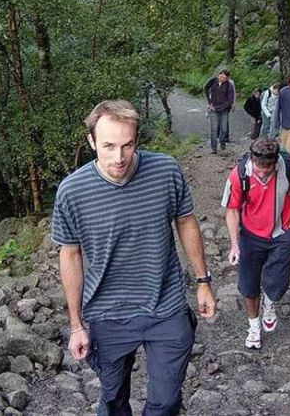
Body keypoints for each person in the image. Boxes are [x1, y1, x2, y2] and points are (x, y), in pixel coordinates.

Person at [52, 100, 217, 416]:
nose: (118, 157)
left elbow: (185, 220)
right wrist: (76, 324)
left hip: (165, 306)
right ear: (91, 142)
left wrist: (203, 281)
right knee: (113, 401)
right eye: (108, 146)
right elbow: (70, 256)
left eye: (127, 145)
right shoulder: (71, 192)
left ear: (137, 140)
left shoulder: (166, 170)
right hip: (107, 312)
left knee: (166, 402)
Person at [221, 138, 290, 350]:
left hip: (281, 233)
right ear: (252, 159)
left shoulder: (289, 166)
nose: (263, 172)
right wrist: (235, 245)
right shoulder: (238, 175)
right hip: (250, 235)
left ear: (275, 161)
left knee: (277, 283)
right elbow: (232, 210)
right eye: (259, 167)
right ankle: (253, 327)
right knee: (249, 287)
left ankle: (269, 304)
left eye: (268, 167)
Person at [204, 69, 234, 154]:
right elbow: (205, 88)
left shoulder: (229, 86)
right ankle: (213, 148)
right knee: (214, 129)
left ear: (227, 78)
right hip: (213, 109)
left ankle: (222, 142)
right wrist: (209, 102)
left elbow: (230, 101)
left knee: (224, 129)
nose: (222, 79)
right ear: (218, 75)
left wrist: (219, 108)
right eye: (221, 76)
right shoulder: (213, 81)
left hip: (224, 110)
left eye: (224, 78)